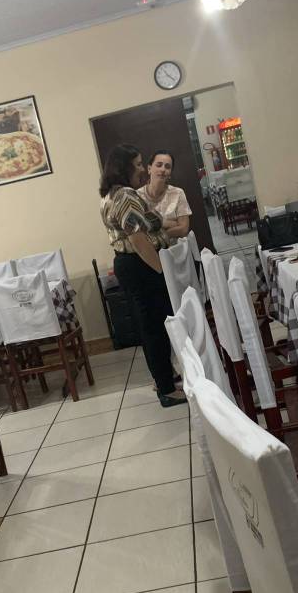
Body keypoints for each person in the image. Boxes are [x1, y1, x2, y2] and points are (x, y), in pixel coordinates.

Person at [98, 144, 185, 407]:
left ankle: (164, 377)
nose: (142, 170)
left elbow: (150, 221)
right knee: (155, 328)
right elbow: (138, 239)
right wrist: (161, 271)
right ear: (123, 167)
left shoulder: (112, 194)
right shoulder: (125, 195)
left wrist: (169, 223)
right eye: (137, 165)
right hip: (141, 265)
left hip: (131, 265)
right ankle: (166, 389)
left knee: (150, 325)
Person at [137, 150, 191, 239]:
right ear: (149, 169)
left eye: (167, 167)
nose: (163, 169)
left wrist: (159, 234)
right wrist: (170, 224)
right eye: (159, 165)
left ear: (170, 173)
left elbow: (184, 229)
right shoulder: (137, 196)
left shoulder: (178, 193)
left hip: (176, 246)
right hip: (148, 247)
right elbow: (139, 230)